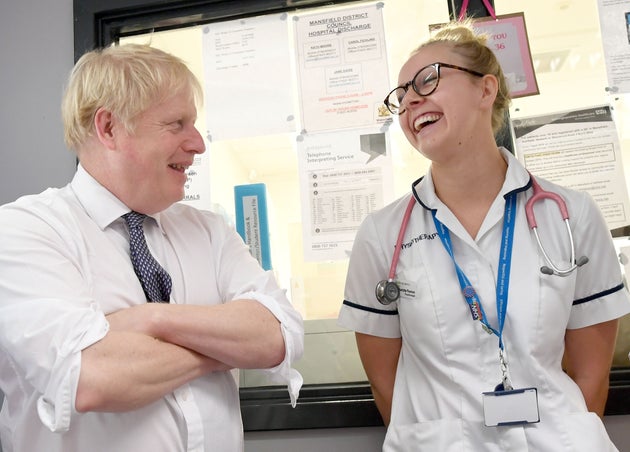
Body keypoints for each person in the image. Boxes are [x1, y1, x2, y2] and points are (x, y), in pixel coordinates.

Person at [338, 20, 630, 451]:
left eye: (429, 79)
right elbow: (386, 385)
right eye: (401, 95)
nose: (411, 99)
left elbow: (591, 374)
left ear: (485, 90)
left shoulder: (572, 215)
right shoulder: (382, 235)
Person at [0, 43, 303, 452]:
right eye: (177, 124)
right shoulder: (25, 230)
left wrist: (152, 320)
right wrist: (224, 350)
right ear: (108, 128)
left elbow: (278, 335)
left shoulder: (209, 231)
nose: (197, 143)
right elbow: (91, 379)